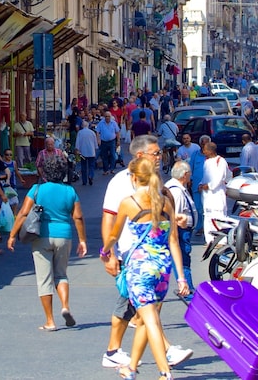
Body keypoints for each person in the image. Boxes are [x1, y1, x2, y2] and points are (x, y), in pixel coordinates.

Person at [100, 135, 192, 371]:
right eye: (155, 153)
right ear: (140, 155)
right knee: (137, 310)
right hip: (134, 258)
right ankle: (164, 357)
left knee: (142, 312)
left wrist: (173, 219)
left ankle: (122, 358)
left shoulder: (156, 184)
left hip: (155, 260)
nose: (160, 157)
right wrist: (109, 255)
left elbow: (161, 218)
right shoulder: (120, 183)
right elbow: (109, 219)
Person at [7, 156, 87, 331]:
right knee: (61, 275)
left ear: (44, 172)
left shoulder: (37, 190)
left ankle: (50, 321)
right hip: (64, 236)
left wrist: (12, 235)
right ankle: (65, 306)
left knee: (44, 280)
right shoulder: (70, 192)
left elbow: (23, 213)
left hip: (41, 236)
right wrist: (82, 240)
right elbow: (78, 217)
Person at [165, 161, 196, 301]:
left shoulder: (178, 187)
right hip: (180, 231)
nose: (190, 176)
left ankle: (188, 286)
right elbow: (173, 216)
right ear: (184, 175)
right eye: (189, 173)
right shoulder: (176, 191)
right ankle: (187, 288)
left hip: (183, 230)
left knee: (184, 258)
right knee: (183, 259)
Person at [198, 142, 230, 239]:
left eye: (205, 150)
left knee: (219, 216)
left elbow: (220, 178)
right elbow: (205, 177)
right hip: (207, 196)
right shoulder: (207, 162)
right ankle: (210, 240)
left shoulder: (221, 161)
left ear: (210, 150)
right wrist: (201, 184)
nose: (203, 152)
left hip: (217, 194)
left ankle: (221, 240)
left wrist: (209, 186)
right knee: (208, 216)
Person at [188, 135, 210, 236]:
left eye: (206, 143)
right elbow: (190, 167)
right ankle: (199, 226)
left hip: (207, 186)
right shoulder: (195, 154)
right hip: (196, 185)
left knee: (206, 207)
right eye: (202, 143)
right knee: (197, 207)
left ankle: (206, 227)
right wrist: (189, 180)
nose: (204, 145)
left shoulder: (211, 156)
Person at [97, 111, 121, 176]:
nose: (107, 117)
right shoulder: (101, 123)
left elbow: (117, 132)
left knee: (113, 155)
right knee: (104, 156)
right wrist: (98, 140)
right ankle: (106, 170)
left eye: (108, 116)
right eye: (106, 116)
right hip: (104, 141)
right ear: (104, 117)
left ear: (110, 117)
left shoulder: (114, 123)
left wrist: (118, 140)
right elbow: (98, 132)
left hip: (112, 141)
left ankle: (112, 169)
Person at [75, 121, 98, 186]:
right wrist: (95, 148)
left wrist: (77, 149)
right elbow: (95, 142)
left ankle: (84, 181)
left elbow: (78, 142)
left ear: (82, 126)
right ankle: (91, 175)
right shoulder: (92, 132)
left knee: (83, 166)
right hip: (91, 151)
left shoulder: (80, 133)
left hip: (83, 152)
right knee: (91, 166)